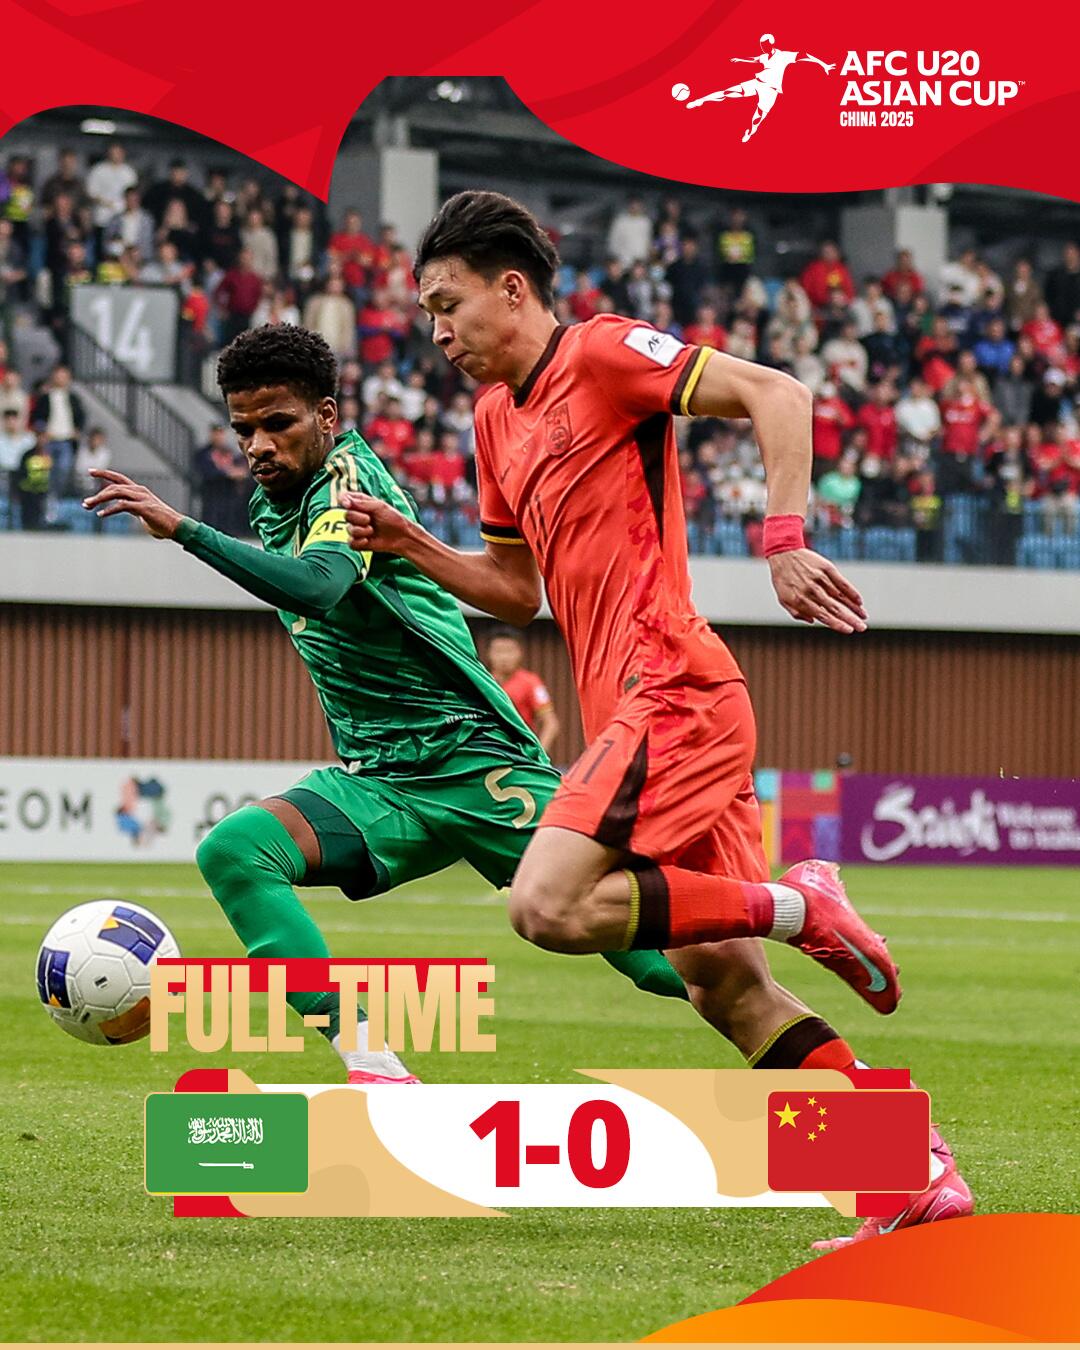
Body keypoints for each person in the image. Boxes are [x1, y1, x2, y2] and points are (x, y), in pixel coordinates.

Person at [341, 190, 971, 1247]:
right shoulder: (494, 419)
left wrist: (782, 538)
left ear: (513, 288)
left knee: (545, 905)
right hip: (628, 711)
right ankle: (909, 1177)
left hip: (671, 685)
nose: (437, 332)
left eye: (449, 305)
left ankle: (798, 903)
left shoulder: (599, 355)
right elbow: (514, 591)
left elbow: (778, 391)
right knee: (722, 987)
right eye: (427, 314)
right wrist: (411, 546)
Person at [79, 324, 703, 1086]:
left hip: (472, 761)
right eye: (244, 430)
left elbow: (319, 586)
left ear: (327, 416)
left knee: (665, 966)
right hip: (382, 780)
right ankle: (375, 1067)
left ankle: (797, 950)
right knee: (235, 852)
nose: (259, 445)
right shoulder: (278, 498)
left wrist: (184, 529)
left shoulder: (348, 482)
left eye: (278, 423)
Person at [486, 629, 561, 755]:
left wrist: (538, 754)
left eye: (509, 651)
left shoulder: (531, 682)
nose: (504, 657)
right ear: (489, 653)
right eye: (498, 651)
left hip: (519, 752)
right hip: (488, 750)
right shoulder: (482, 682)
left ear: (520, 653)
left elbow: (551, 723)